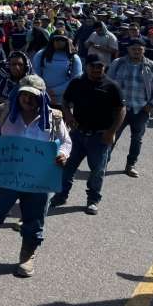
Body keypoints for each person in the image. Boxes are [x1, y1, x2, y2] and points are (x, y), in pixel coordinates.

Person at [0, 75, 71, 277]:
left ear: (42, 97)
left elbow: (66, 142)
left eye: (33, 96)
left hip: (38, 181)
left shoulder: (54, 118)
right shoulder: (3, 112)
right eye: (24, 95)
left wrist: (62, 154)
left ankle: (27, 255)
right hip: (6, 178)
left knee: (34, 219)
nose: (27, 100)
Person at [51, 53, 126, 215]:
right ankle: (61, 195)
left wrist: (112, 132)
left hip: (100, 137)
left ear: (104, 68)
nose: (96, 69)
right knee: (66, 167)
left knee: (97, 171)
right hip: (77, 135)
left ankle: (93, 200)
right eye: (93, 66)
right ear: (86, 66)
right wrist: (68, 115)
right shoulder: (77, 83)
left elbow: (121, 110)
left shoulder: (112, 86)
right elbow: (65, 102)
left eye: (100, 66)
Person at [106, 38, 153, 178]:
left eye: (140, 49)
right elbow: (107, 83)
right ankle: (102, 163)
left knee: (137, 139)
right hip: (119, 109)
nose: (136, 51)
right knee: (111, 136)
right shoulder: (117, 63)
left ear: (144, 50)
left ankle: (130, 165)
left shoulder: (151, 66)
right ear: (128, 49)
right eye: (134, 49)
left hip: (141, 109)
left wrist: (152, 104)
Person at [32, 34, 82, 105]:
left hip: (65, 98)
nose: (59, 42)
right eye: (56, 39)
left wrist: (54, 91)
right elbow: (35, 74)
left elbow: (76, 79)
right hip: (43, 95)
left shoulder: (74, 58)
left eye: (62, 40)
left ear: (67, 41)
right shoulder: (41, 54)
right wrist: (44, 90)